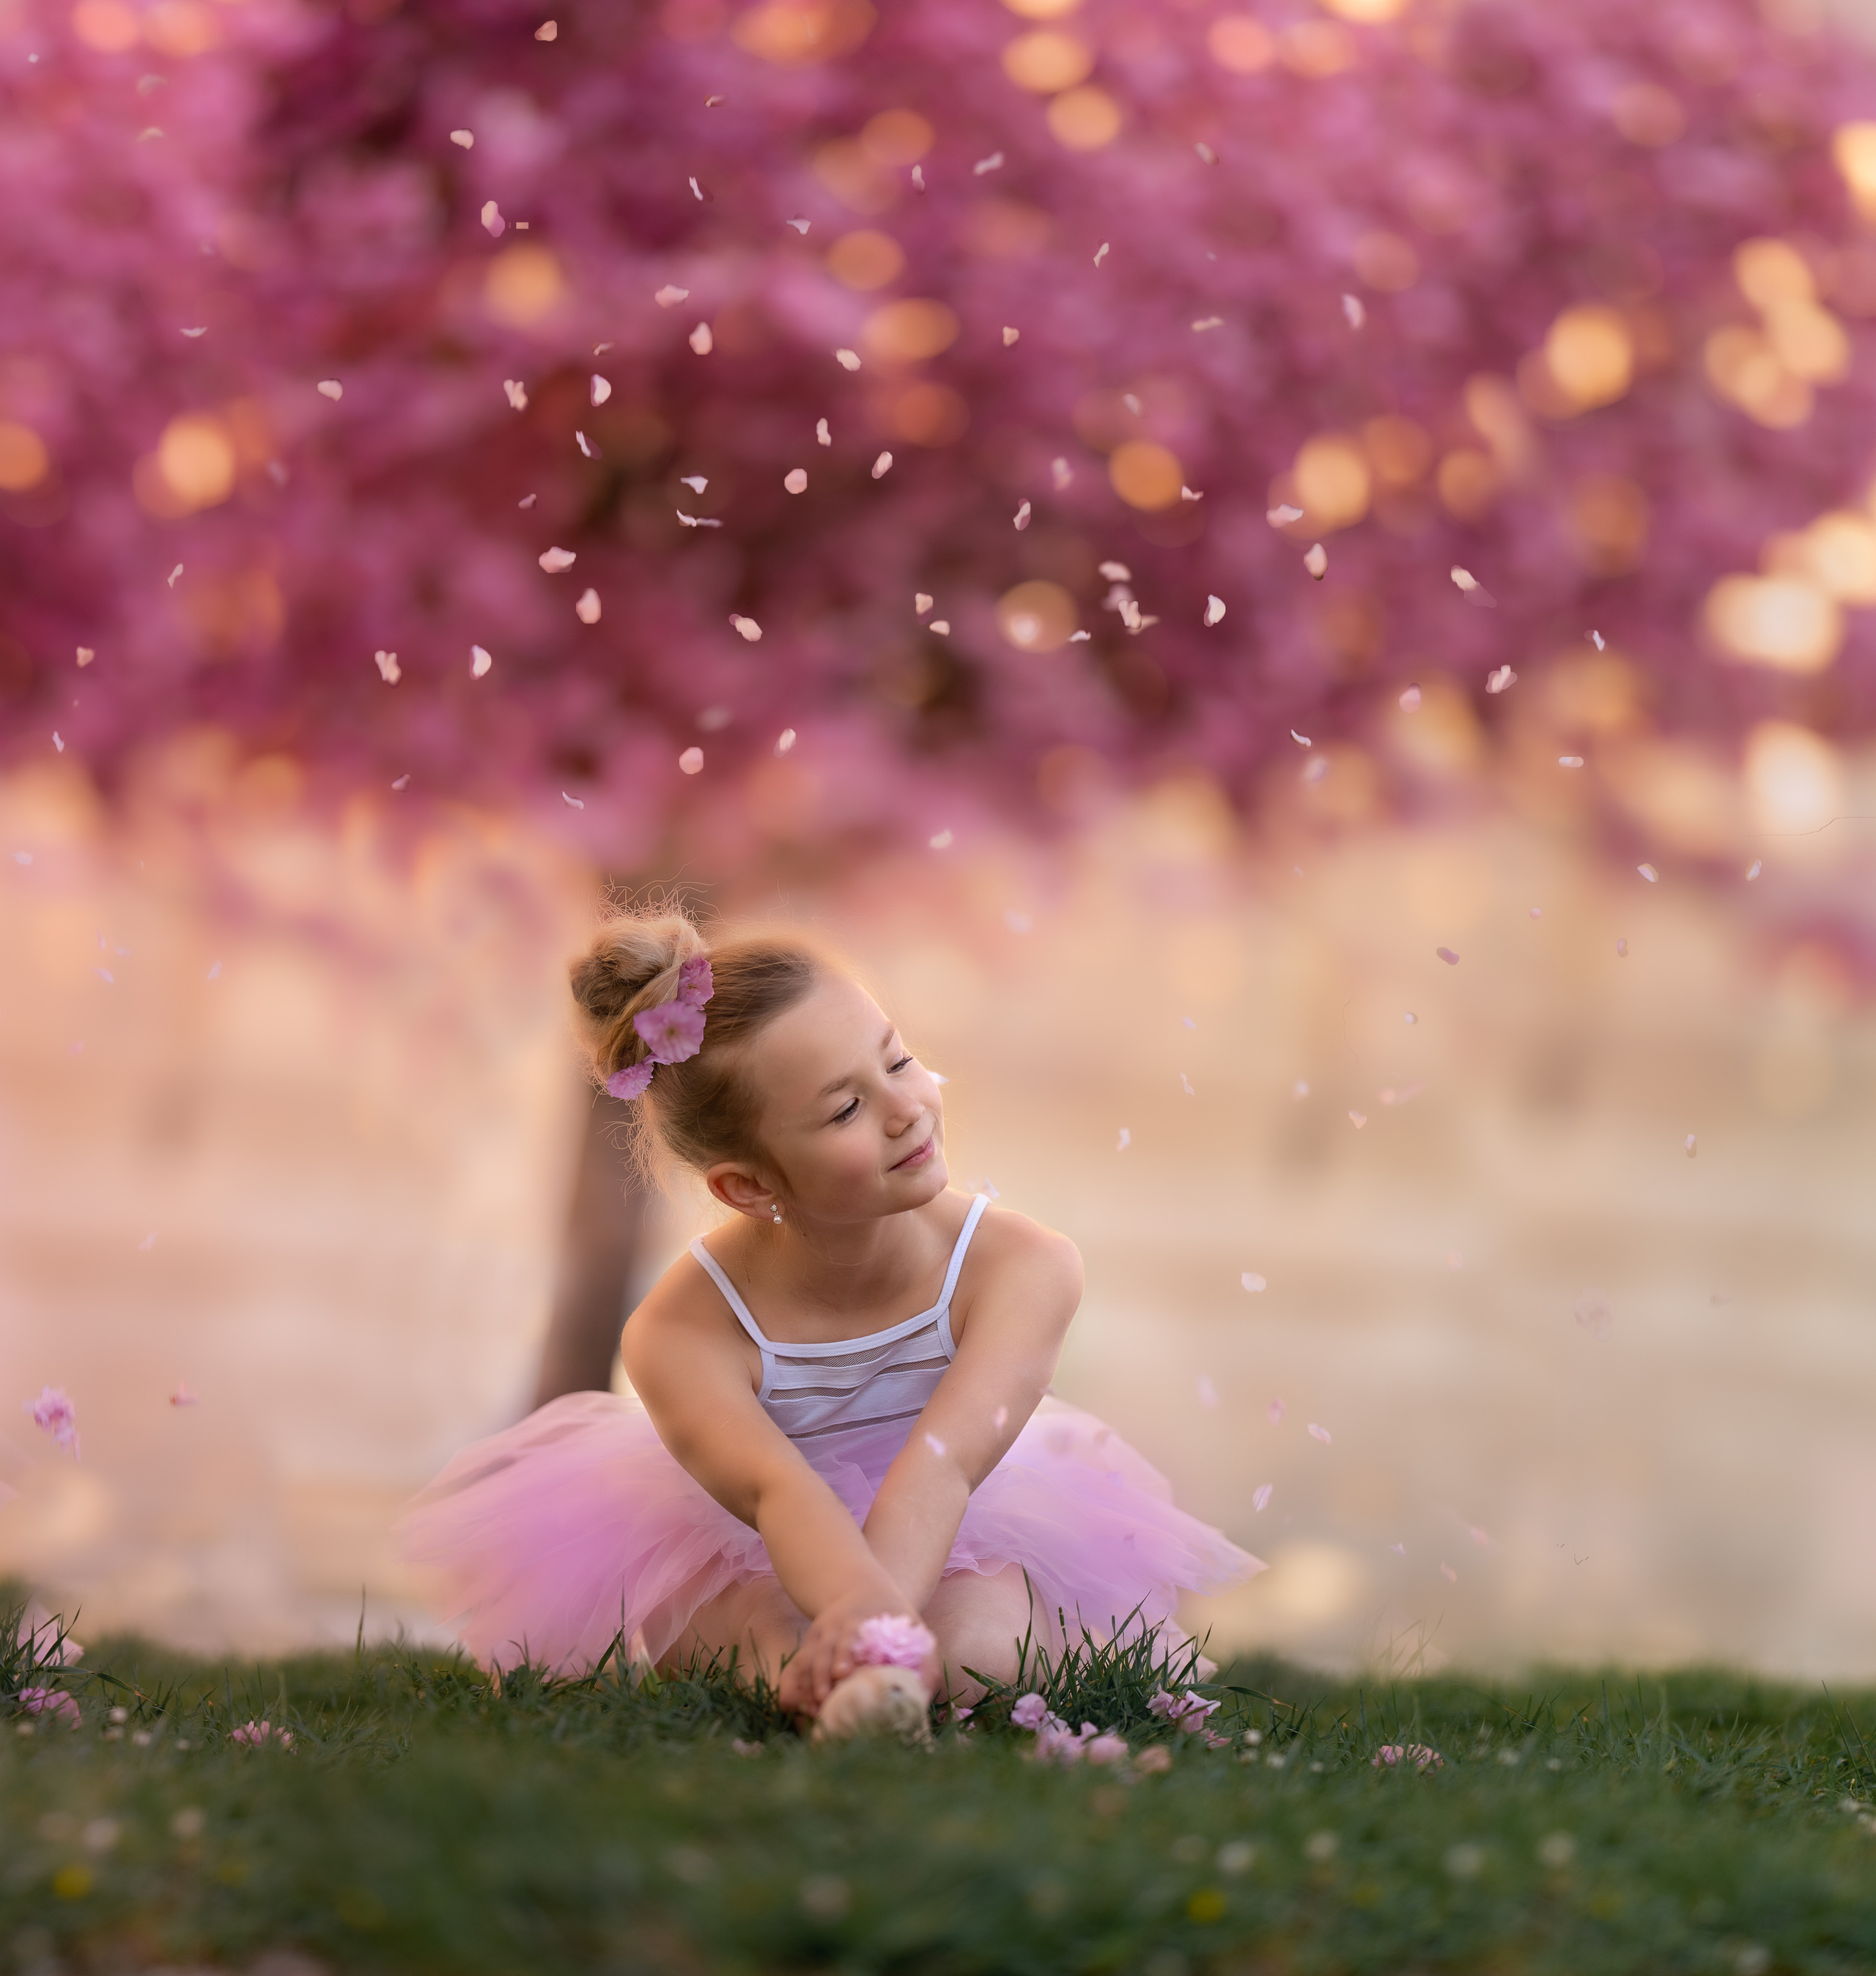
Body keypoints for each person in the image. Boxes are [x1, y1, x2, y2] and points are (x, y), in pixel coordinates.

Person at [399, 908, 1261, 1737]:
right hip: (759, 1539)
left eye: (898, 1059)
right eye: (844, 1109)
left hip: (963, 1514)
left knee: (978, 1652)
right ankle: (831, 1687)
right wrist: (853, 1619)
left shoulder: (1021, 1267)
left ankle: (877, 1680)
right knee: (764, 1637)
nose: (905, 1108)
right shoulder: (682, 1331)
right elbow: (778, 1491)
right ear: (749, 1185)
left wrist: (874, 1627)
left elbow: (945, 1463)